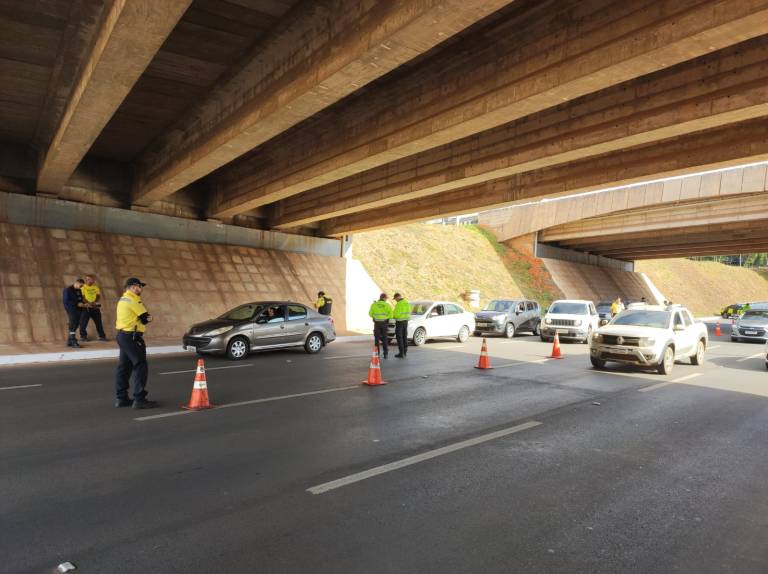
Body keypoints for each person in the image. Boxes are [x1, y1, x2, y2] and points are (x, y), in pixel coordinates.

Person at [114, 277, 156, 409]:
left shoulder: (124, 299)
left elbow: (142, 318)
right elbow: (145, 318)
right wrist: (149, 318)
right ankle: (139, 399)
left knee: (124, 367)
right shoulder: (133, 300)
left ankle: (121, 398)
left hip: (123, 336)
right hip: (132, 337)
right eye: (139, 286)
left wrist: (145, 318)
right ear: (132, 287)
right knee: (140, 365)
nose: (141, 289)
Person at [79, 274, 108, 341]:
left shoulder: (96, 287)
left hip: (95, 308)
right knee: (83, 323)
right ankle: (83, 337)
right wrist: (89, 303)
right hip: (86, 308)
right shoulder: (83, 288)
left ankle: (102, 336)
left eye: (90, 279)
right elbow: (82, 297)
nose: (88, 281)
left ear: (93, 280)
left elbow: (98, 296)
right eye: (87, 279)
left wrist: (94, 302)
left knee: (99, 323)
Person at [62, 278, 86, 347]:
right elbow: (66, 301)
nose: (81, 287)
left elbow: (80, 299)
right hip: (71, 309)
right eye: (81, 285)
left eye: (82, 286)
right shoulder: (68, 290)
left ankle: (69, 341)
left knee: (76, 324)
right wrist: (76, 304)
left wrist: (84, 303)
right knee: (73, 324)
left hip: (79, 309)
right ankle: (73, 341)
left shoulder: (79, 290)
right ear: (77, 283)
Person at [368, 293, 393, 359]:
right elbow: (391, 315)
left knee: (376, 339)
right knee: (385, 339)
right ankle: (385, 354)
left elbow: (370, 314)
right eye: (386, 298)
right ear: (384, 298)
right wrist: (385, 317)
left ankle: (377, 354)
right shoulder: (387, 305)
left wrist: (375, 317)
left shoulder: (374, 305)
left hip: (377, 324)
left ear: (380, 297)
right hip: (384, 323)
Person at [392, 292, 411, 359]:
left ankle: (401, 353)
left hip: (399, 322)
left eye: (395, 299)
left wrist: (393, 316)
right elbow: (409, 312)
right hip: (406, 321)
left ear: (398, 297)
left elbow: (396, 314)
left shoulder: (399, 304)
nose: (395, 300)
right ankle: (405, 352)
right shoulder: (407, 302)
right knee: (404, 336)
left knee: (399, 337)